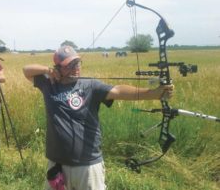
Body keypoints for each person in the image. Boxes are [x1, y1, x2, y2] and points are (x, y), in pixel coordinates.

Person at [22, 45, 174, 190]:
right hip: (57, 163)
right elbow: (26, 70)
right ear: (58, 68)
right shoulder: (49, 84)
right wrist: (47, 70)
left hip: (86, 165)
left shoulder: (90, 85)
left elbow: (118, 91)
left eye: (77, 62)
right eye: (70, 64)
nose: (76, 67)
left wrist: (154, 93)